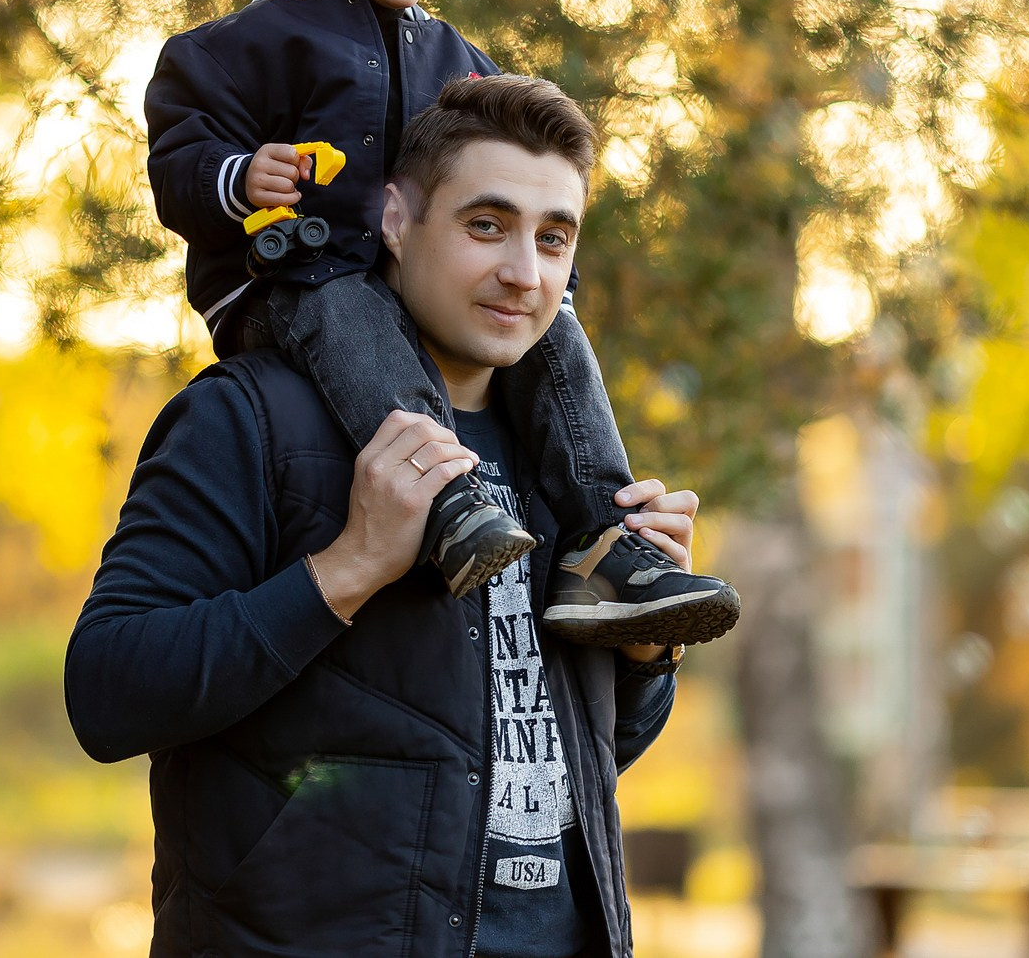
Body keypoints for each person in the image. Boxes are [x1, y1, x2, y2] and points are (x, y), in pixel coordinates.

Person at [70, 75, 710, 956]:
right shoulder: (247, 419)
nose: (524, 272)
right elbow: (106, 692)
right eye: (486, 225)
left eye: (553, 238)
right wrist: (350, 567)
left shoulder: (568, 465)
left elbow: (544, 773)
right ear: (396, 221)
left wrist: (643, 650)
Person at [144, 0, 737, 642]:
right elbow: (182, 142)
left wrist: (549, 290)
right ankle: (448, 504)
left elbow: (527, 170)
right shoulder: (255, 41)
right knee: (344, 304)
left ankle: (606, 544)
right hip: (287, 279)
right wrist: (238, 176)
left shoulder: (455, 58)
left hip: (394, 290)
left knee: (554, 331)